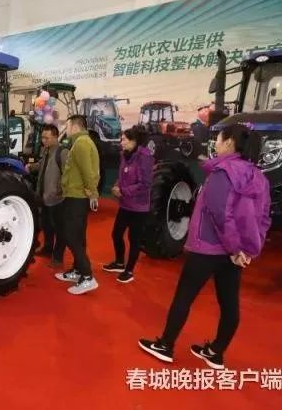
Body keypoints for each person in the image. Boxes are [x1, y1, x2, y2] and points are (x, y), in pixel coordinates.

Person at [139, 124, 271, 369]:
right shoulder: (260, 178)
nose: (215, 144)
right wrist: (248, 250)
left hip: (208, 248)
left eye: (218, 139)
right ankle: (215, 352)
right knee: (229, 304)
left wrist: (235, 248)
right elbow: (263, 219)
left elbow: (221, 214)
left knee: (184, 297)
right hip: (234, 255)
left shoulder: (223, 173)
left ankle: (165, 345)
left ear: (229, 143)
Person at [55, 115, 100, 295]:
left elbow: (88, 173)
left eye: (67, 126)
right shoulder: (83, 142)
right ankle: (78, 270)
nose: (65, 129)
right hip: (77, 195)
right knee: (78, 235)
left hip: (77, 196)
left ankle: (87, 276)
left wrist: (93, 193)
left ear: (75, 126)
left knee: (71, 235)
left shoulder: (81, 143)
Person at [103, 125, 154, 283]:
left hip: (139, 207)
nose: (121, 142)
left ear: (133, 141)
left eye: (124, 139)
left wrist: (124, 191)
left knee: (134, 239)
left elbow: (145, 184)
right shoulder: (124, 155)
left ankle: (129, 270)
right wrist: (117, 186)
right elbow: (122, 176)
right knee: (116, 234)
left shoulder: (145, 158)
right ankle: (119, 263)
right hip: (125, 204)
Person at [26, 125, 67, 266]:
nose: (44, 140)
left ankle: (58, 257)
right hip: (44, 197)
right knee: (47, 226)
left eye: (47, 138)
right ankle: (48, 249)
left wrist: (59, 191)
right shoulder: (46, 150)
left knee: (60, 229)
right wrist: (31, 167)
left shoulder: (62, 152)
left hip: (57, 199)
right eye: (42, 138)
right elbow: (42, 165)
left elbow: (68, 174)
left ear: (55, 137)